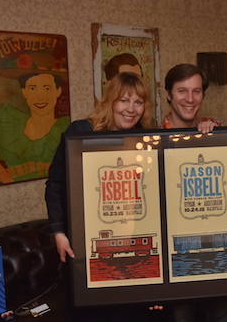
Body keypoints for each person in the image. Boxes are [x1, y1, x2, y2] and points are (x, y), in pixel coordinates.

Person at [44, 72, 160, 321]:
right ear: (110, 101)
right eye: (124, 100)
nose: (131, 109)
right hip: (84, 242)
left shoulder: (146, 141)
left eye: (138, 102)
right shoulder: (80, 132)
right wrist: (59, 232)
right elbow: (55, 184)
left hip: (131, 241)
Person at [160, 64, 227, 322]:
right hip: (177, 249)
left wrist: (214, 137)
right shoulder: (151, 139)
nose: (190, 99)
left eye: (196, 91)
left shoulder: (217, 132)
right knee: (181, 315)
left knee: (222, 315)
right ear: (168, 94)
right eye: (182, 91)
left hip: (218, 244)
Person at [0, 53, 70, 184]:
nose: (40, 97)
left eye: (47, 88)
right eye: (32, 88)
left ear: (58, 91)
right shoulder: (11, 124)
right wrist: (9, 182)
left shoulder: (66, 128)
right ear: (24, 91)